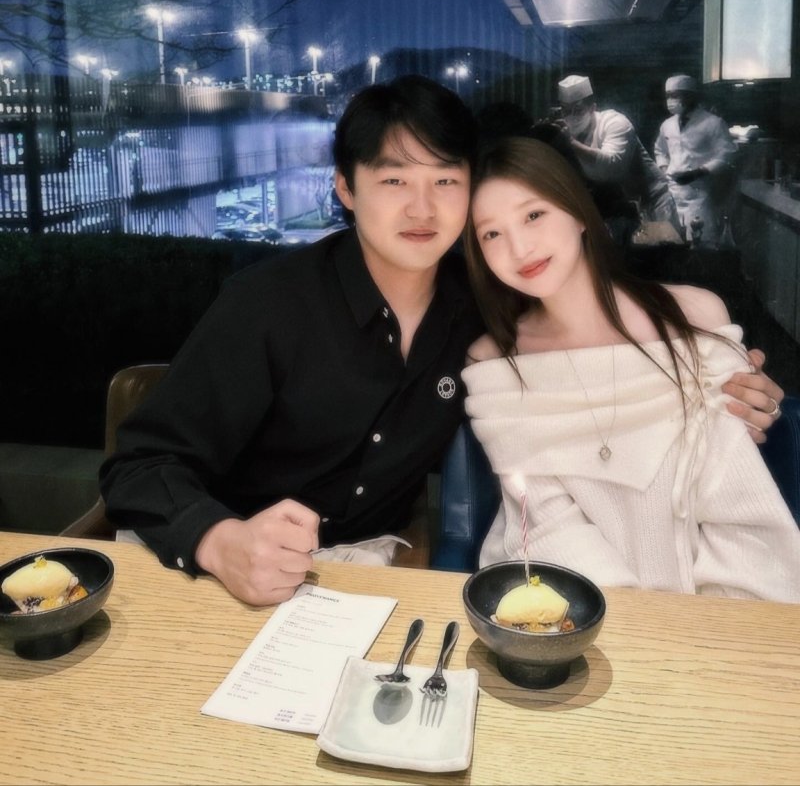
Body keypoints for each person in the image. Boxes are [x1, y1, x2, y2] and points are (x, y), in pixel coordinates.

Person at [99, 76, 784, 607]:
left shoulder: (484, 314)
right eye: (394, 180)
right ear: (345, 188)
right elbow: (138, 466)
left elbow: (593, 358)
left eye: (446, 181)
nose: (422, 208)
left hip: (363, 571)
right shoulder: (268, 305)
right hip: (210, 570)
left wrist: (724, 379)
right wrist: (220, 541)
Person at [462, 136, 800, 600]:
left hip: (718, 607)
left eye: (534, 215)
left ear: (579, 213)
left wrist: (710, 623)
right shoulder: (495, 362)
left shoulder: (693, 317)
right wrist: (626, 621)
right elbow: (547, 523)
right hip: (569, 602)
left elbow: (737, 502)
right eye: (491, 234)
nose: (519, 248)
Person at [557, 74, 681, 235]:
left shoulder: (615, 123)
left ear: (592, 108)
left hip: (653, 204)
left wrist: (571, 143)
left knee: (662, 247)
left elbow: (612, 167)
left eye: (578, 110)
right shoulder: (565, 132)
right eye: (565, 111)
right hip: (620, 211)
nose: (571, 116)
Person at [654, 74, 738, 243]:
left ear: (691, 96)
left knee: (700, 243)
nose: (670, 100)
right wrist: (664, 169)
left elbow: (727, 154)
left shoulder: (713, 123)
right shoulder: (667, 125)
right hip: (672, 194)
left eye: (675, 95)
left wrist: (698, 173)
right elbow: (660, 150)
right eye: (668, 96)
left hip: (700, 195)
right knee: (671, 244)